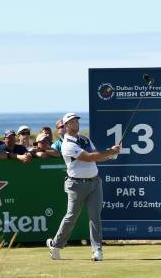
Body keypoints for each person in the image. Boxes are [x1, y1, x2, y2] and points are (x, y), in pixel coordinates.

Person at [47, 112, 121, 262]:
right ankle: (55, 245)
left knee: (95, 217)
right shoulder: (67, 145)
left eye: (76, 121)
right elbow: (88, 158)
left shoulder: (85, 139)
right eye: (72, 122)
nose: (75, 124)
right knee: (71, 217)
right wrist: (110, 152)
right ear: (66, 126)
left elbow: (96, 155)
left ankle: (97, 251)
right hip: (76, 185)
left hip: (95, 182)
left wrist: (112, 153)